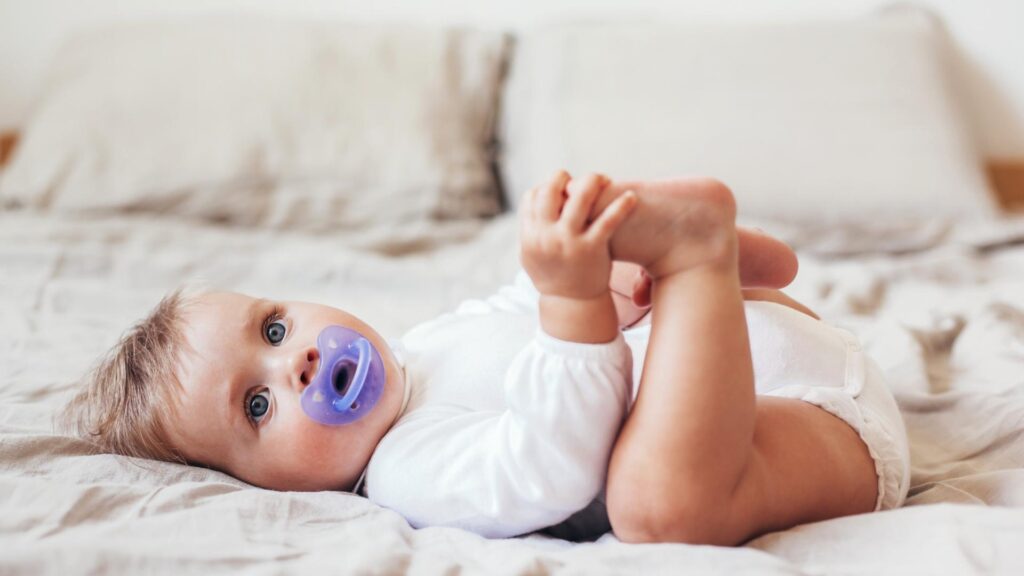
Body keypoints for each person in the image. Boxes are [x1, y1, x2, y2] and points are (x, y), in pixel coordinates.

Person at [62, 171, 910, 545]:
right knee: (656, 505)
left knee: (586, 286)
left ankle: (684, 265)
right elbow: (552, 464)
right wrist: (576, 306)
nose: (300, 366)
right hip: (805, 424)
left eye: (275, 329)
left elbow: (517, 309)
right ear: (266, 486)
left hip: (741, 358)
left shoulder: (429, 345)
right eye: (257, 406)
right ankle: (700, 263)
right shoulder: (404, 468)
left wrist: (580, 266)